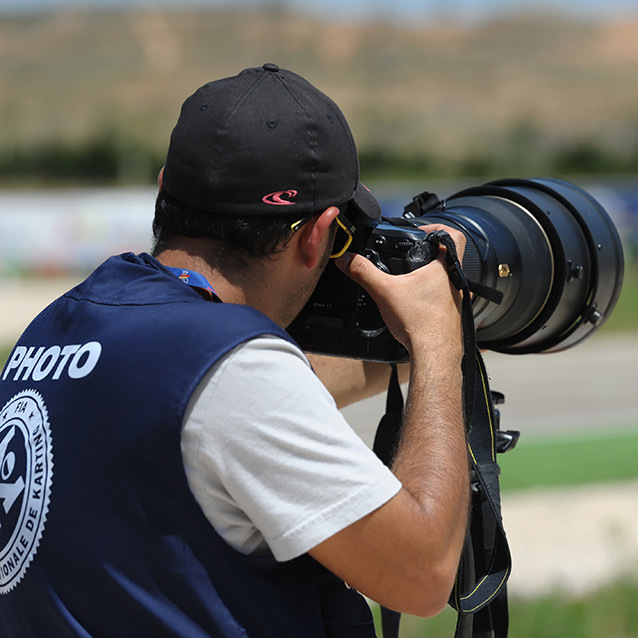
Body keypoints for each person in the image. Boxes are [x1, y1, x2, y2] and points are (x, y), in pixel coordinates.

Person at [0, 63, 469, 636]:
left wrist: (401, 352)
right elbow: (421, 574)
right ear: (317, 233)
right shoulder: (233, 373)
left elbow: (223, 418)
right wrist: (440, 344)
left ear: (164, 189)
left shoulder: (62, 325)